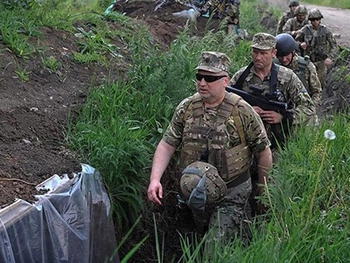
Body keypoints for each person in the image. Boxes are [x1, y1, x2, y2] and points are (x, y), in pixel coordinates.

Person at [147, 51, 273, 242]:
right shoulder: (187, 107)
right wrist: (155, 179)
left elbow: (263, 152)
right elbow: (167, 143)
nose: (202, 83)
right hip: (195, 192)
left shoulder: (242, 111)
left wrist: (263, 190)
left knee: (214, 247)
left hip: (232, 192)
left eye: (210, 78)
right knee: (194, 237)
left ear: (225, 81)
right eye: (199, 76)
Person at [229, 33, 316, 215]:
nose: (258, 57)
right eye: (255, 52)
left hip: (277, 145)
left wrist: (284, 117)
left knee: (270, 194)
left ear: (273, 53)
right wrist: (248, 110)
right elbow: (224, 104)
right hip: (245, 146)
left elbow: (308, 107)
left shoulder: (287, 77)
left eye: (263, 53)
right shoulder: (241, 77)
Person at [295, 8, 338, 89]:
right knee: (307, 84)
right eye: (313, 20)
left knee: (320, 85)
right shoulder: (305, 29)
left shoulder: (326, 30)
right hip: (308, 62)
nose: (315, 22)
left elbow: (334, 45)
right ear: (310, 20)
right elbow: (294, 42)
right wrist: (301, 44)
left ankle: (319, 100)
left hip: (321, 62)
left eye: (317, 19)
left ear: (320, 20)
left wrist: (330, 57)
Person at [275, 33, 322, 106]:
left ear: (293, 52)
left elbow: (317, 92)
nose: (284, 59)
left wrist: (309, 108)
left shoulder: (306, 66)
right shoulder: (274, 66)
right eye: (280, 56)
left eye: (287, 55)